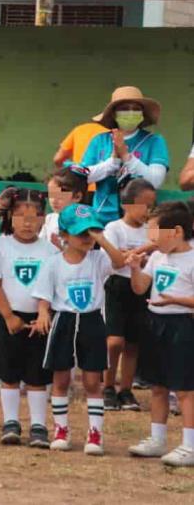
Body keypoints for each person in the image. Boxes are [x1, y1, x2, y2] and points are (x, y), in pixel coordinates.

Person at [32, 204, 127, 455]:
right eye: (81, 233)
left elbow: (119, 261)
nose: (87, 238)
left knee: (92, 381)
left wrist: (101, 238)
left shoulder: (98, 259)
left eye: (90, 232)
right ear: (63, 235)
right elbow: (44, 295)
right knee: (61, 378)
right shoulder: (53, 263)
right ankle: (61, 429)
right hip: (64, 321)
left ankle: (95, 433)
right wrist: (43, 313)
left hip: (91, 322)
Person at [0, 187, 58, 447]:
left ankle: (38, 426)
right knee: (9, 374)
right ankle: (10, 423)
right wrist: (8, 316)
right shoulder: (1, 247)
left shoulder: (49, 251)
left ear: (43, 218)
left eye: (34, 215)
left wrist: (43, 312)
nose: (27, 222)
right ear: (9, 217)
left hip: (39, 320)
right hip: (8, 318)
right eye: (20, 215)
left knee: (37, 376)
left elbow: (51, 285)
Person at [127, 201, 194, 467]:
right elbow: (140, 287)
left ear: (176, 231)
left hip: (182, 326)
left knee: (186, 389)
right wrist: (134, 268)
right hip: (155, 324)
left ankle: (189, 445)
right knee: (158, 386)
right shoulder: (156, 257)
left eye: (154, 232)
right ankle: (157, 439)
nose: (150, 239)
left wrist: (175, 301)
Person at [101, 178, 156, 412]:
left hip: (140, 286)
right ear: (127, 204)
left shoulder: (150, 231)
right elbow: (115, 259)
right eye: (144, 205)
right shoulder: (114, 228)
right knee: (114, 341)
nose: (148, 211)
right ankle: (107, 386)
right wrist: (140, 252)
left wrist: (134, 255)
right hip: (117, 287)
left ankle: (126, 389)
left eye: (152, 206)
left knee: (133, 343)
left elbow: (150, 259)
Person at [82, 86, 169, 224]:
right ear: (114, 114)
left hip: (140, 222)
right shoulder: (99, 140)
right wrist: (113, 162)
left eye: (136, 109)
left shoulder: (154, 141)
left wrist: (127, 157)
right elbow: (83, 177)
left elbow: (156, 181)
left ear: (142, 114)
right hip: (101, 219)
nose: (130, 112)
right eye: (124, 108)